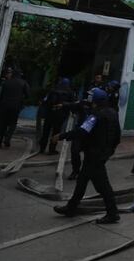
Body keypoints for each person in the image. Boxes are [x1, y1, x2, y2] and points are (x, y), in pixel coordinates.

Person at [52, 88, 122, 224]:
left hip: (95, 155)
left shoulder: (96, 115)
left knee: (103, 187)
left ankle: (113, 213)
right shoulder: (113, 113)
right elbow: (117, 136)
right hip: (100, 154)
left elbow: (82, 131)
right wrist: (109, 151)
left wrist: (61, 136)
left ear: (95, 101)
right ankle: (71, 208)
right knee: (82, 181)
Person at [0, 67, 29, 148]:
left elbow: (0, 94)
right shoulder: (23, 83)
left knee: (2, 123)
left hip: (4, 105)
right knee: (12, 124)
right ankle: (7, 139)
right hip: (16, 106)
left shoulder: (6, 82)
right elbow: (28, 95)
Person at [39, 78, 74, 155]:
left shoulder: (53, 90)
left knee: (46, 131)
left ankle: (42, 148)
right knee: (56, 132)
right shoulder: (70, 92)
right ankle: (52, 149)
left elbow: (46, 101)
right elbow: (72, 104)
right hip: (60, 116)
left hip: (50, 114)